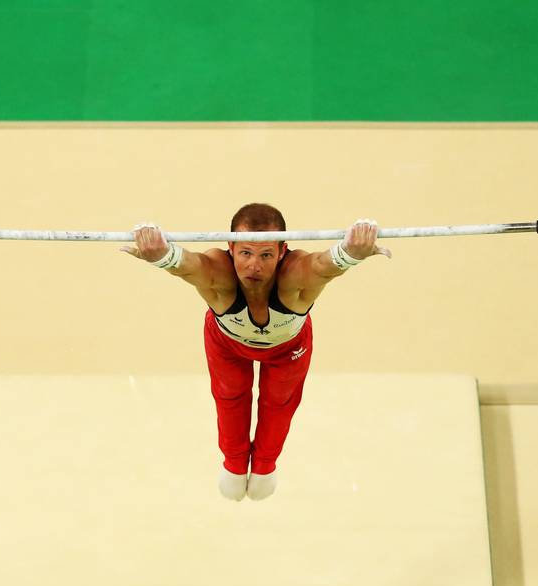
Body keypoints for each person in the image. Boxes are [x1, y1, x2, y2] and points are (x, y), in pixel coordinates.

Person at [121, 203, 390, 501]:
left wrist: (350, 252)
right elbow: (191, 265)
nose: (254, 266)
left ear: (282, 251)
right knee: (230, 396)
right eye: (246, 253)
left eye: (266, 255)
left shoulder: (294, 276)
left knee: (280, 403)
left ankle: (264, 466)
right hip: (227, 345)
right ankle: (234, 465)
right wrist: (163, 256)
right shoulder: (219, 274)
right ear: (231, 247)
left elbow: (321, 267)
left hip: (288, 349)